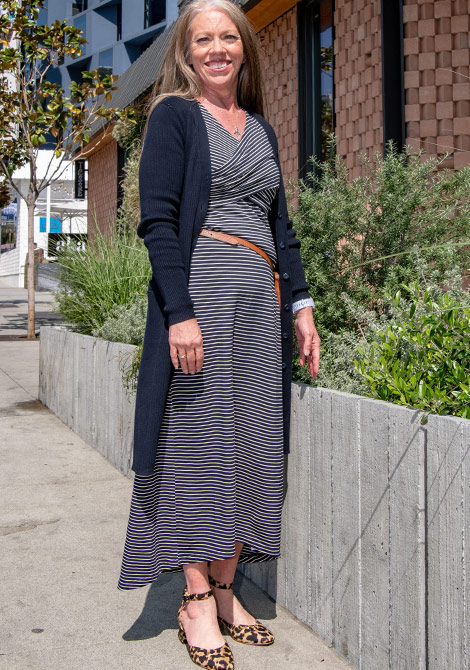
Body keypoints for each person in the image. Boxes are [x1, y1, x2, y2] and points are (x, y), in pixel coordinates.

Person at [118, 1, 320, 668]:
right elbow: (158, 220)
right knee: (197, 445)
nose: (216, 49)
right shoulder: (174, 116)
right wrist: (179, 311)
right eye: (202, 38)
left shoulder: (261, 129)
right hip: (200, 299)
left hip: (260, 306)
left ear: (244, 47)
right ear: (185, 50)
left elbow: (281, 228)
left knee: (251, 442)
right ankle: (196, 598)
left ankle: (229, 587)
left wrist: (302, 306)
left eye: (228, 36)